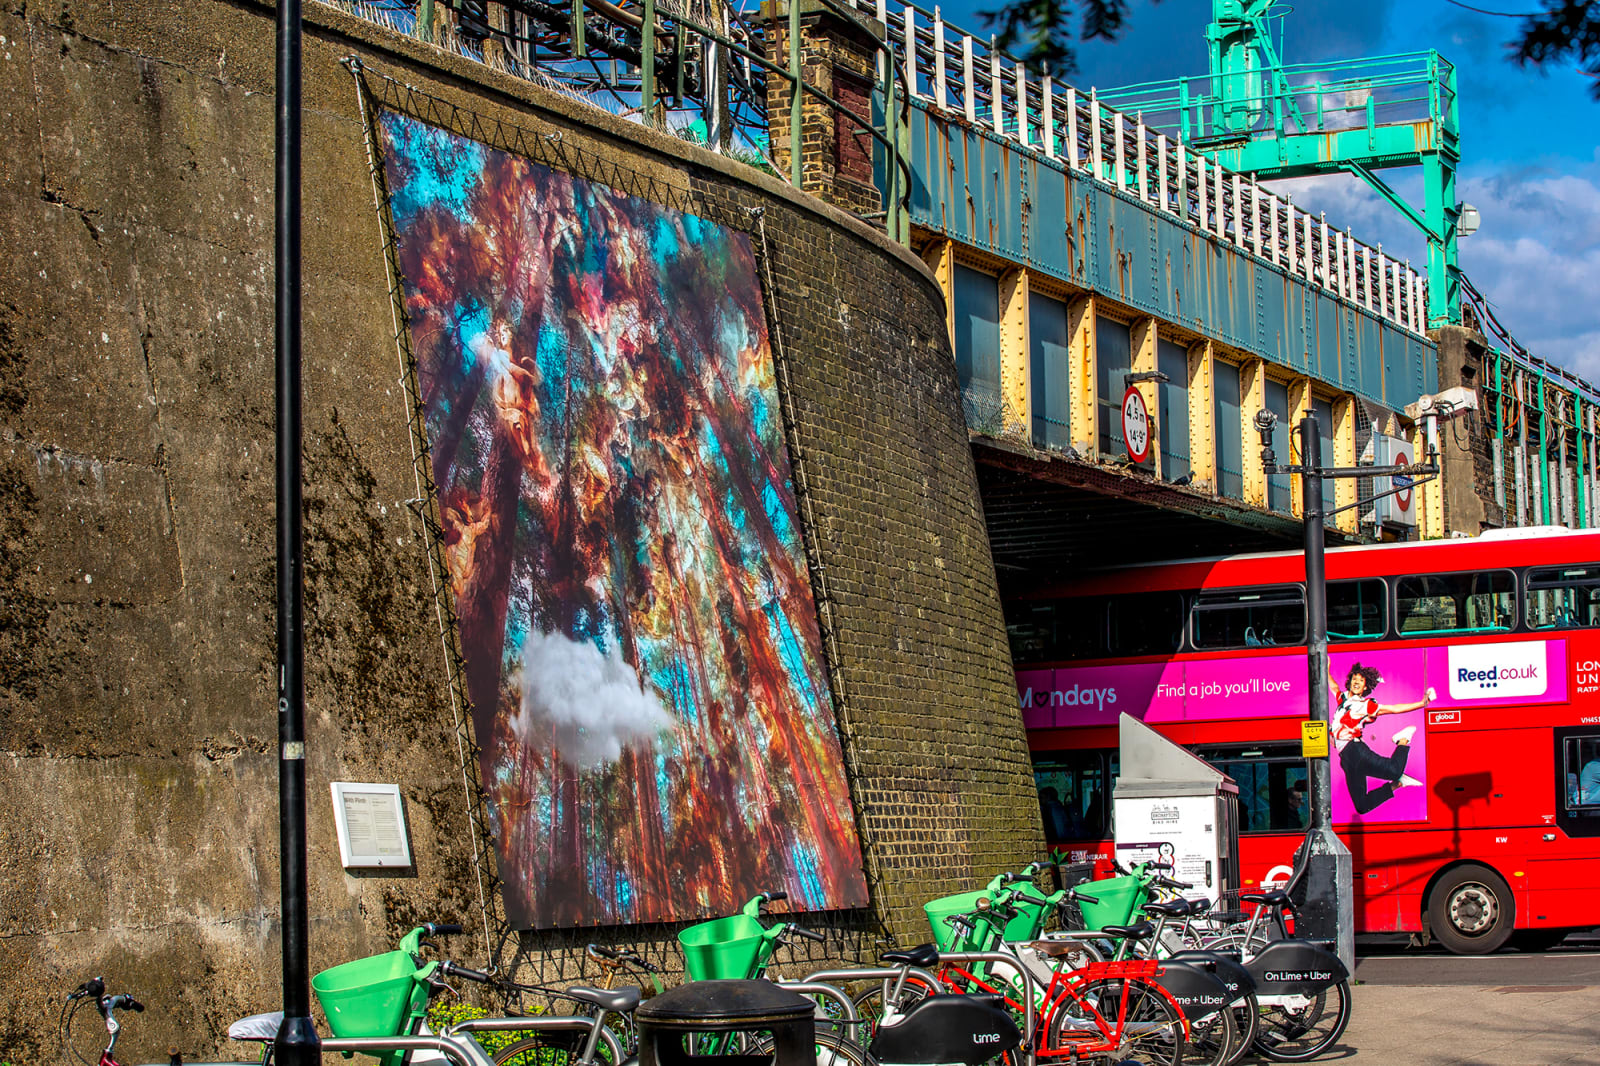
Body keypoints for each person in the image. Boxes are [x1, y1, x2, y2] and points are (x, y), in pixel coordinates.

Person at [1330, 664, 1432, 815]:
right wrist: (1326, 667)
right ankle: (1395, 785)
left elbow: (1393, 708)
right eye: (1354, 679)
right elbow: (1333, 686)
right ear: (1350, 682)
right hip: (1346, 759)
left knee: (1394, 770)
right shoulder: (1343, 699)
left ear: (1365, 687)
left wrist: (1421, 704)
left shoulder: (1365, 705)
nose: (1356, 682)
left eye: (1361, 680)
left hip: (1355, 751)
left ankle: (1403, 739)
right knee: (1362, 806)